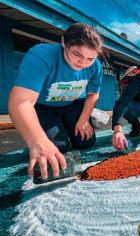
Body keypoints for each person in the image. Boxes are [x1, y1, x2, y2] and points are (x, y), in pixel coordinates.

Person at [8, 23, 103, 180]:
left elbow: (93, 94)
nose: (82, 63)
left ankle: (69, 124)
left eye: (90, 59)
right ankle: (44, 134)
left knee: (86, 142)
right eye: (77, 54)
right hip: (45, 107)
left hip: (74, 105)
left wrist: (84, 119)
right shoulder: (42, 55)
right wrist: (37, 140)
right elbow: (21, 101)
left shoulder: (96, 66)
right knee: (59, 148)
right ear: (64, 42)